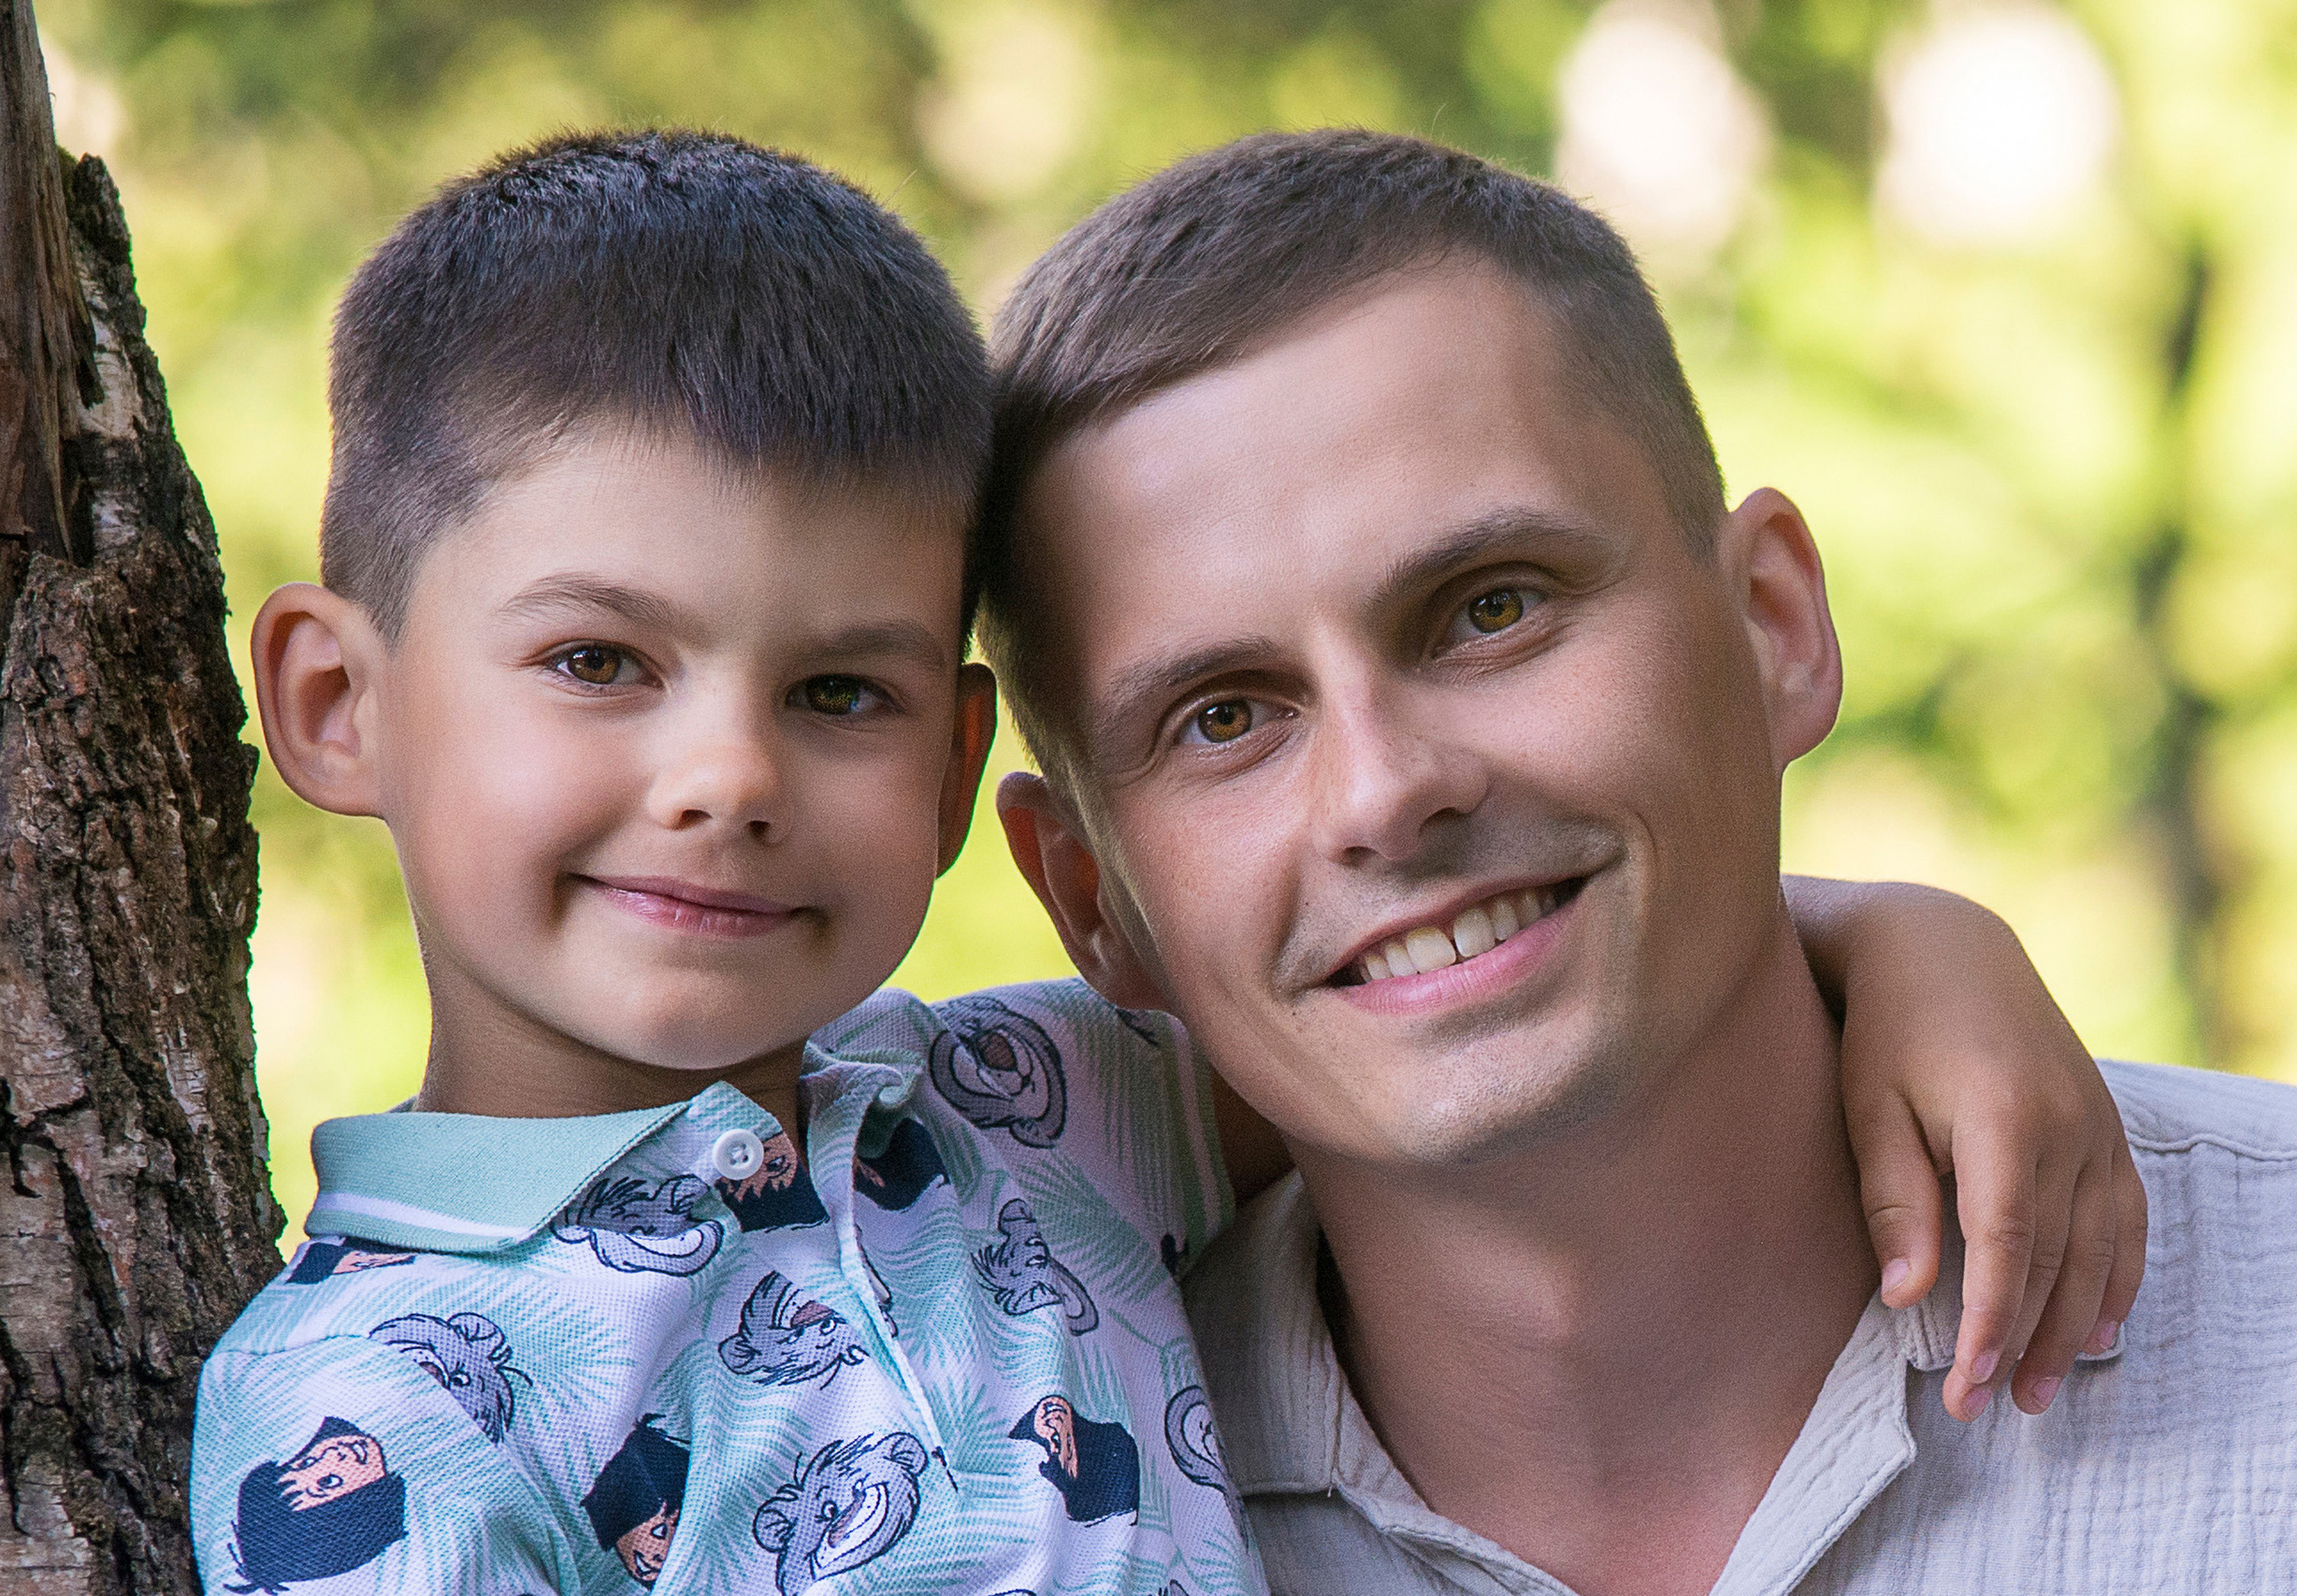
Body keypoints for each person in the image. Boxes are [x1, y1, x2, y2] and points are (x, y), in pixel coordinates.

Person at [195, 126, 2139, 1595]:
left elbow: (1460, 988)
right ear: (334, 701)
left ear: (963, 770)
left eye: (842, 692)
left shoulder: (1022, 1119)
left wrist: (1909, 943)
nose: (727, 775)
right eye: (597, 661)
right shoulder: (367, 1402)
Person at [980, 127, 2297, 1595]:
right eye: (1223, 718)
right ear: (1087, 898)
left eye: (1490, 608)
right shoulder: (1015, 1500)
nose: (1386, 793)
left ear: (1774, 624)